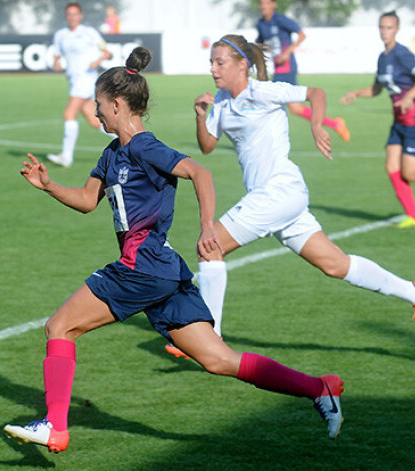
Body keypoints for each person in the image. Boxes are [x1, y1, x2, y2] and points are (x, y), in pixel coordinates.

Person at [3, 46, 345, 455]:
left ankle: (55, 426)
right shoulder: (112, 154)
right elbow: (86, 199)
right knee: (219, 360)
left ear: (117, 104)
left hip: (141, 267)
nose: (95, 114)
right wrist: (49, 186)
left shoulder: (147, 148)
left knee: (60, 328)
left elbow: (200, 172)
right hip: (162, 271)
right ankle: (319, 388)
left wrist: (206, 229)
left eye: (98, 106)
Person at [164, 34, 415, 362]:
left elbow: (316, 93)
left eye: (219, 62)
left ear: (243, 65)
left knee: (210, 246)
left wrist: (315, 126)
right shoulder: (222, 101)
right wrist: (201, 115)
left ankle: (210, 336)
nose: (213, 68)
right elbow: (208, 146)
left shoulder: (263, 91)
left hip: (279, 191)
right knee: (336, 264)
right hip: (277, 198)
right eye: (211, 62)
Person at [340, 10, 415, 229]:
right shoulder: (383, 57)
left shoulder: (403, 54)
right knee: (392, 167)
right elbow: (377, 88)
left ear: (397, 29)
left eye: (389, 27)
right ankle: (413, 215)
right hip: (398, 122)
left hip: (413, 121)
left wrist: (410, 95)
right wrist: (355, 93)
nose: (384, 32)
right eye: (382, 27)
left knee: (409, 172)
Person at [256, 0, 350, 142]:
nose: (263, 6)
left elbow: (302, 35)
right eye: (261, 3)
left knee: (268, 102)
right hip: (277, 69)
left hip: (287, 68)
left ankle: (265, 140)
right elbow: (260, 44)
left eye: (266, 3)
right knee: (294, 108)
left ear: (274, 4)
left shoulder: (280, 20)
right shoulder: (261, 24)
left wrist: (287, 52)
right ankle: (335, 124)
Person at [48, 2, 113, 168]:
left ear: (80, 16)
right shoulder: (60, 35)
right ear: (66, 16)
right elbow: (56, 55)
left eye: (75, 14)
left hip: (86, 79)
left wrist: (96, 61)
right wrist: (56, 63)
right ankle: (130, 141)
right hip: (73, 80)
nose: (72, 17)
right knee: (94, 121)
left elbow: (107, 52)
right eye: (69, 14)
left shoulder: (89, 33)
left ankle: (66, 156)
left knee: (69, 113)